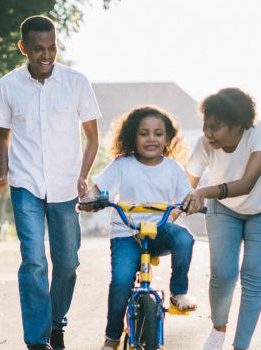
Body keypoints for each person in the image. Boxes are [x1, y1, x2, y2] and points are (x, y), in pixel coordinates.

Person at [0, 15, 101, 350]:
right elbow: (2, 139)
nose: (47, 55)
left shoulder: (77, 82)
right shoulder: (9, 84)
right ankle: (38, 342)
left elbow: (93, 138)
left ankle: (55, 323)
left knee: (67, 263)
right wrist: (2, 175)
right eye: (38, 49)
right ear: (24, 48)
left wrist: (83, 174)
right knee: (34, 260)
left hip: (66, 186)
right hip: (26, 185)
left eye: (52, 47)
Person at [80, 105, 197, 350]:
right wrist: (90, 200)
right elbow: (97, 190)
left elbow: (186, 199)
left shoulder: (173, 169)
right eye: (144, 133)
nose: (151, 139)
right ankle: (112, 337)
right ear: (133, 136)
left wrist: (186, 206)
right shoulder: (122, 164)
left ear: (167, 138)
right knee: (121, 282)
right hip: (127, 233)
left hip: (159, 231)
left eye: (158, 133)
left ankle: (178, 292)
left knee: (184, 238)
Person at [182, 88, 261, 350]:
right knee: (223, 273)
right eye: (205, 125)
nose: (207, 133)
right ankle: (218, 329)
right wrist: (171, 207)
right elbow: (186, 184)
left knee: (253, 276)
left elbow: (248, 183)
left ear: (238, 124)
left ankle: (241, 346)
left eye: (215, 127)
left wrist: (203, 192)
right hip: (224, 209)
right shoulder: (206, 143)